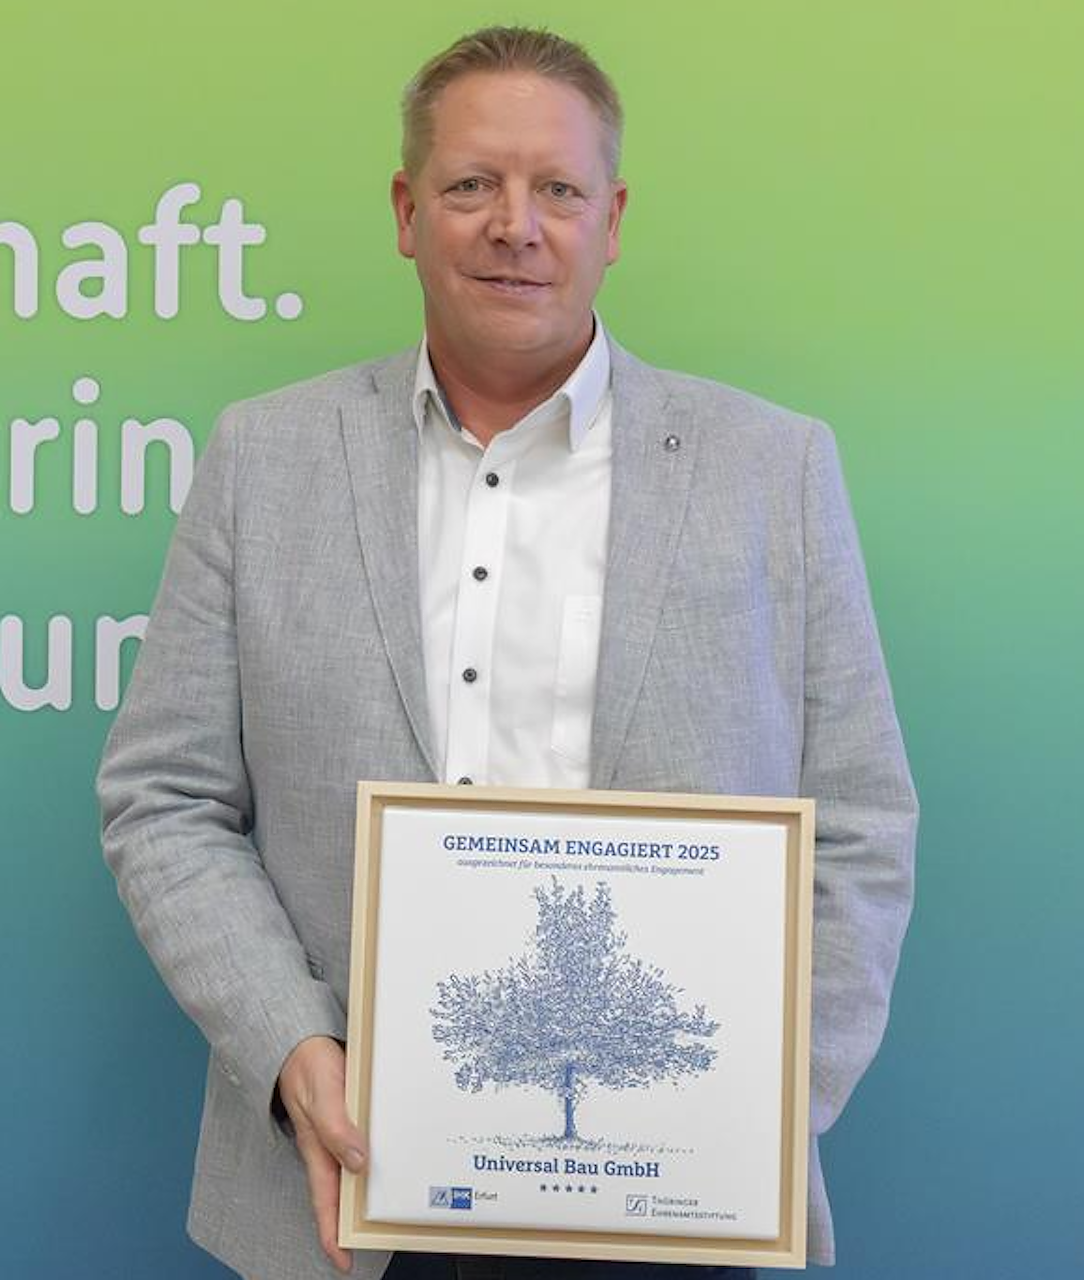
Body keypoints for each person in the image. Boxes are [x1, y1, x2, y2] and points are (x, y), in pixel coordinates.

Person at [97, 25, 917, 1280]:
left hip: (672, 1207)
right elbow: (163, 797)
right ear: (405, 210)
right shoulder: (265, 458)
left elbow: (860, 823)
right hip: (342, 1198)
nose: (513, 225)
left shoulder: (774, 469)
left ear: (612, 218)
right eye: (472, 183)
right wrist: (293, 1050)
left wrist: (752, 1106)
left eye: (558, 189)